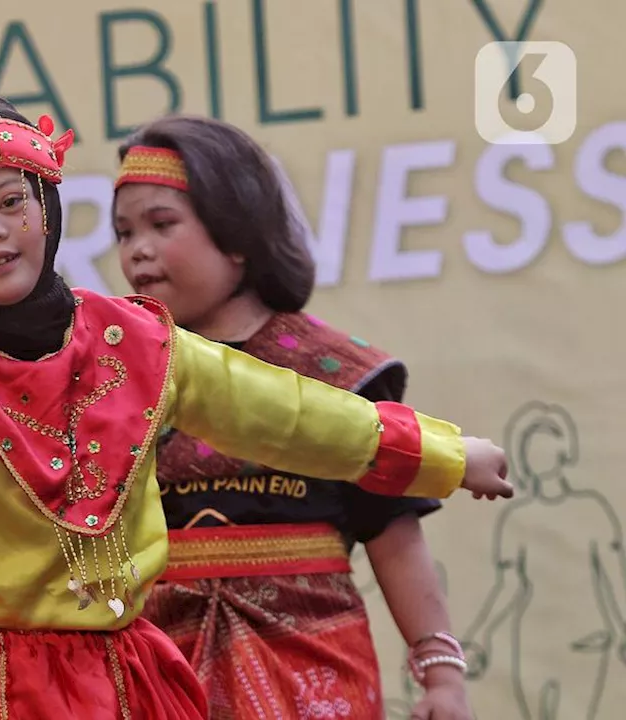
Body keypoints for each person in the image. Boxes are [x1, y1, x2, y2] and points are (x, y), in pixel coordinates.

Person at [0, 96, 512, 719]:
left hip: (115, 680)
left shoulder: (136, 341)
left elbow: (290, 415)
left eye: (11, 202)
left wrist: (448, 457)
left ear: (49, 209)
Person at [112, 114, 474, 720]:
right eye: (123, 233)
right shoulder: (120, 376)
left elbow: (392, 531)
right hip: (161, 668)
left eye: (161, 224)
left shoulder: (337, 373)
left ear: (237, 235)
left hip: (313, 669)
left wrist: (442, 677)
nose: (137, 249)